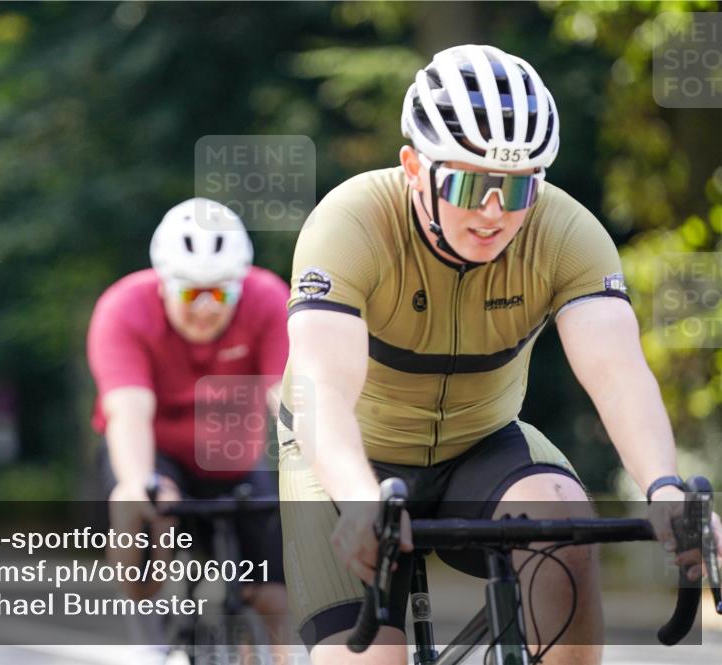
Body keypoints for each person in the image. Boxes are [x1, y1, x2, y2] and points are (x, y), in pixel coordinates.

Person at [277, 44, 722, 665]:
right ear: (413, 167)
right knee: (370, 658)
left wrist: (665, 488)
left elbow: (618, 374)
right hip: (346, 457)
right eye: (468, 183)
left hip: (479, 443)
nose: (493, 212)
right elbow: (322, 390)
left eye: (517, 189)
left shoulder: (566, 232)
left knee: (564, 524)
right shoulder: (350, 223)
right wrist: (357, 498)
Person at [87, 198, 290, 652]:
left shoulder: (268, 299)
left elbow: (291, 404)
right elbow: (129, 413)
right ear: (163, 285)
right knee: (145, 514)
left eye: (219, 293)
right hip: (153, 448)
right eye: (189, 293)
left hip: (231, 456)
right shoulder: (123, 308)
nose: (204, 308)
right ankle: (150, 633)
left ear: (240, 286)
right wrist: (142, 485)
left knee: (277, 587)